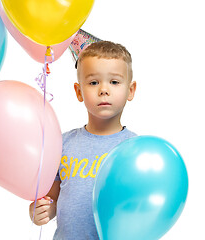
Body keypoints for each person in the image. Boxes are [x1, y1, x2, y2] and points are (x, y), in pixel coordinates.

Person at [29, 40, 137, 240]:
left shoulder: (136, 150)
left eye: (114, 82)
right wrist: (42, 209)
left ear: (130, 90)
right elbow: (54, 197)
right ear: (79, 91)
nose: (103, 90)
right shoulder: (62, 144)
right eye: (93, 82)